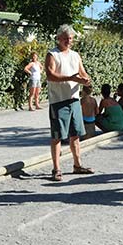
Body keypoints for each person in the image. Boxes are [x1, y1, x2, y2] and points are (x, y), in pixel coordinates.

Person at [45, 24, 95, 181]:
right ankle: (56, 169)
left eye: (71, 39)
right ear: (58, 38)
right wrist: (72, 78)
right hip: (58, 101)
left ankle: (77, 165)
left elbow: (82, 72)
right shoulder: (52, 54)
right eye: (66, 38)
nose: (68, 41)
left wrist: (86, 80)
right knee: (57, 136)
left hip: (74, 100)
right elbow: (50, 75)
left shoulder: (75, 55)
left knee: (75, 135)